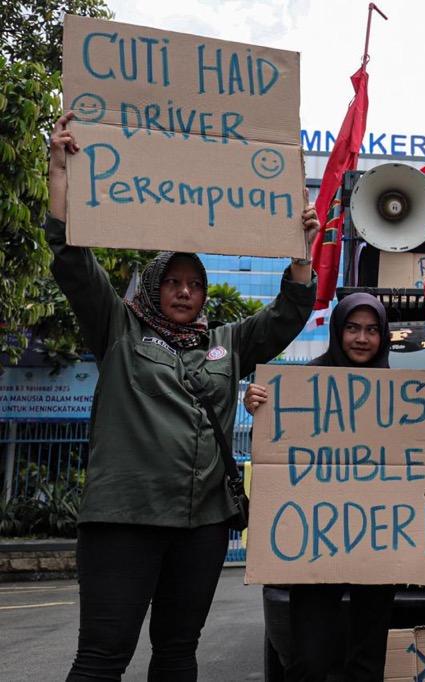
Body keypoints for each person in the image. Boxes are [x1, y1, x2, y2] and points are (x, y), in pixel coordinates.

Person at [47, 111, 318, 681]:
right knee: (102, 657)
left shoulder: (226, 343)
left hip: (204, 526)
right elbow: (74, 262)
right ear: (154, 285)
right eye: (174, 282)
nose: (186, 293)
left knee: (177, 654)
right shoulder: (118, 329)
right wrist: (60, 173)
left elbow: (287, 315)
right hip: (126, 519)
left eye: (195, 285)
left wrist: (300, 253)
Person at [243, 293, 399, 682]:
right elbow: (277, 452)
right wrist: (260, 404)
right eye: (351, 328)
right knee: (310, 661)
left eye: (371, 330)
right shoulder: (300, 386)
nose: (361, 338)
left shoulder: (401, 395)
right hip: (314, 542)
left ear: (383, 337)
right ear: (337, 331)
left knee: (367, 660)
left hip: (377, 542)